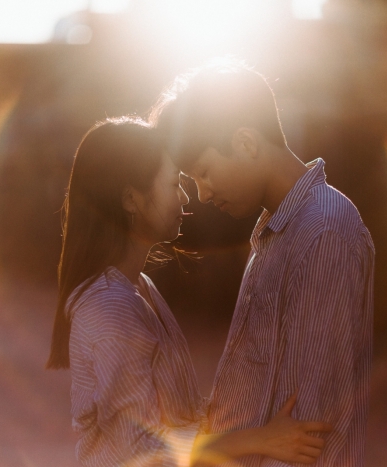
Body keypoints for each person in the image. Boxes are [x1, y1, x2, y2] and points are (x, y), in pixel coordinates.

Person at [46, 117, 332, 466]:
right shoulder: (109, 307)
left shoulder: (139, 288)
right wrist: (258, 439)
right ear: (131, 200)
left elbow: (177, 417)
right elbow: (141, 452)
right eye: (173, 184)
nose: (186, 198)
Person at [151, 61, 375, 466]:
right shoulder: (275, 230)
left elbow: (306, 425)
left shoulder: (323, 230)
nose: (201, 194)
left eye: (202, 172)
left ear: (246, 143)